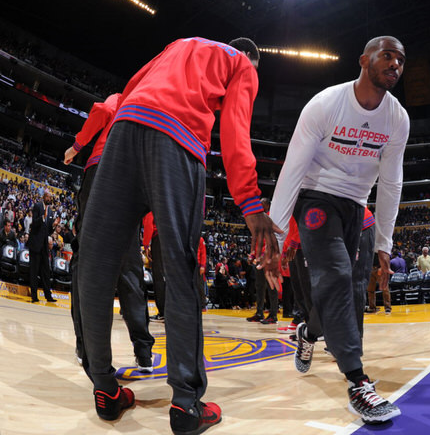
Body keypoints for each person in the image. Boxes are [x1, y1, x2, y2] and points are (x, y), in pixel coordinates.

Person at [76, 37, 281, 433]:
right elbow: (235, 133)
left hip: (123, 131)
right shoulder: (241, 64)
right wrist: (251, 204)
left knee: (95, 267)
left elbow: (132, 86)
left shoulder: (179, 44)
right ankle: (186, 405)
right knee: (181, 270)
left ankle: (104, 388)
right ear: (251, 59)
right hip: (176, 138)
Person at [267, 36, 408, 423]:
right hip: (316, 197)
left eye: (400, 59)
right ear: (364, 60)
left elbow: (392, 182)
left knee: (343, 286)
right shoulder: (326, 104)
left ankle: (309, 335)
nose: (395, 63)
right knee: (336, 273)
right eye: (387, 56)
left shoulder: (397, 118)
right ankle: (358, 382)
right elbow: (293, 168)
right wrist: (278, 237)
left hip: (355, 206)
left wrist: (384, 242)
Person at [28, 190, 56, 303]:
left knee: (46, 272)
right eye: (48, 197)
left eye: (50, 197)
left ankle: (48, 296)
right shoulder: (37, 206)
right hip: (35, 244)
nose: (49, 199)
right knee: (34, 271)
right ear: (44, 197)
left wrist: (53, 226)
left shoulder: (50, 211)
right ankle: (34, 296)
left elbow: (48, 230)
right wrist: (42, 218)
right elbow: (34, 223)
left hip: (44, 245)